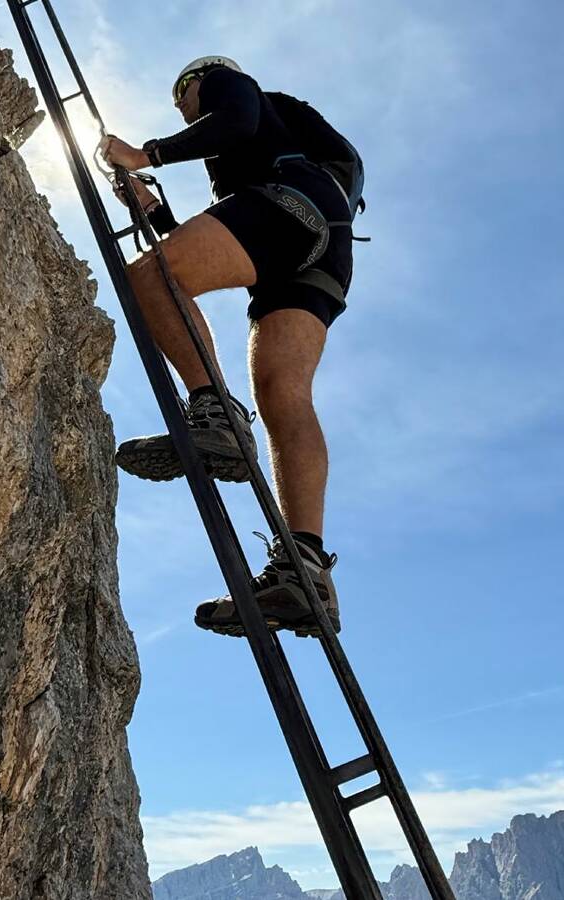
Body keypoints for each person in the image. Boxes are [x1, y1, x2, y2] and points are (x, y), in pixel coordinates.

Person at [97, 56, 355, 637]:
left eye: (180, 98)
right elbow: (221, 245)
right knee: (284, 395)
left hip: (290, 206)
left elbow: (234, 118)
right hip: (322, 241)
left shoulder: (224, 82)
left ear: (191, 81)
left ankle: (215, 413)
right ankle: (305, 566)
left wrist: (150, 153)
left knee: (148, 278)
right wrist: (154, 209)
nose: (183, 108)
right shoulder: (276, 142)